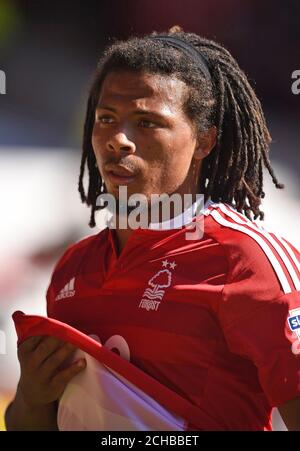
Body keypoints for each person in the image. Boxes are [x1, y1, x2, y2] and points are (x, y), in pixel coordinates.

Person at [5, 27, 300, 431]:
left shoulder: (249, 264)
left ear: (204, 141)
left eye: (146, 122)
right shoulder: (73, 269)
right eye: (106, 118)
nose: (118, 139)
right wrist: (31, 399)